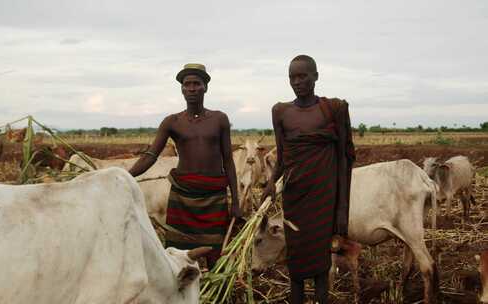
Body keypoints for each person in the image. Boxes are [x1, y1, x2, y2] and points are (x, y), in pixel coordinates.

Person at [260, 55, 355, 304]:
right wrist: (271, 182)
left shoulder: (333, 109)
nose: (297, 81)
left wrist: (341, 208)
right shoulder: (281, 112)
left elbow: (345, 157)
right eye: (293, 77)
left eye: (303, 76)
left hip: (323, 197)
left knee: (321, 264)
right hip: (295, 198)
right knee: (297, 261)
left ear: (316, 76)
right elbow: (282, 156)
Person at [129, 63, 242, 268]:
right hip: (182, 197)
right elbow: (151, 156)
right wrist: (126, 176)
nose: (191, 88)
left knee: (215, 254)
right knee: (178, 256)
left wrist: (235, 201)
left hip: (214, 196)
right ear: (181, 89)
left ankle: (213, 295)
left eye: (196, 84)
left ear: (205, 87)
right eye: (186, 84)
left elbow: (228, 161)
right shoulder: (172, 122)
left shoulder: (219, 119)